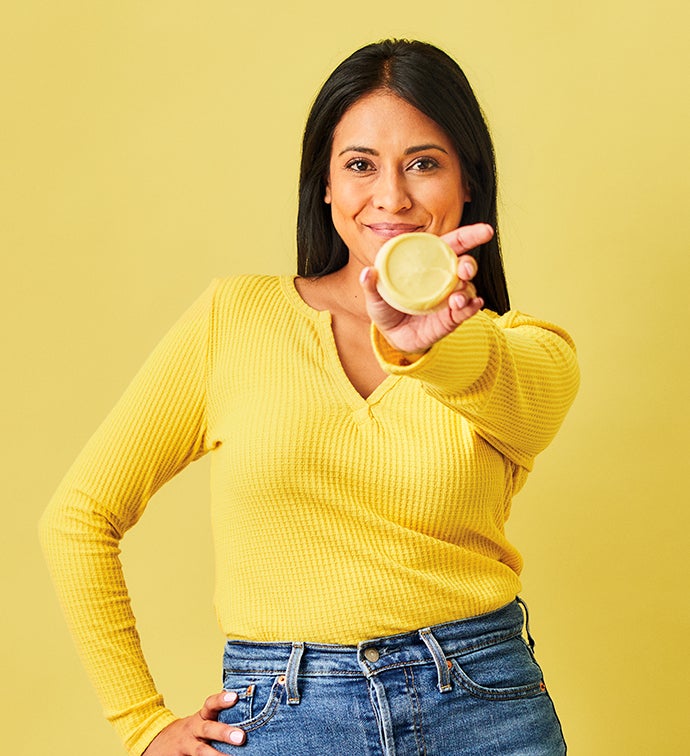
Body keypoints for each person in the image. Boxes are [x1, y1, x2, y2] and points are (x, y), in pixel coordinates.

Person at [40, 39, 580, 756]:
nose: (391, 196)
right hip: (284, 716)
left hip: (486, 708)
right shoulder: (235, 319)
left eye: (424, 163)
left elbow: (514, 395)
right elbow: (78, 517)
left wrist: (425, 341)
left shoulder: (523, 351)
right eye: (360, 165)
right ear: (324, 185)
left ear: (467, 184)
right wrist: (140, 722)